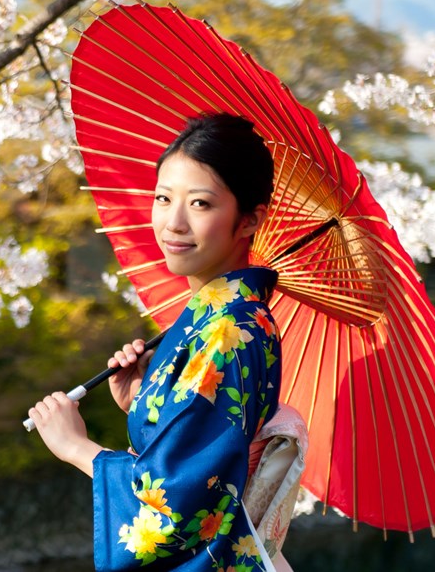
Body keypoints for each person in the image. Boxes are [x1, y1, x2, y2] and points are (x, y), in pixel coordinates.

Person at [29, 113, 283, 571]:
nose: (173, 223)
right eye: (163, 198)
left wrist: (77, 448)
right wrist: (144, 400)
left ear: (249, 221)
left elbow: (179, 507)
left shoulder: (226, 332)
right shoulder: (219, 320)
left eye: (201, 204)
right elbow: (194, 439)